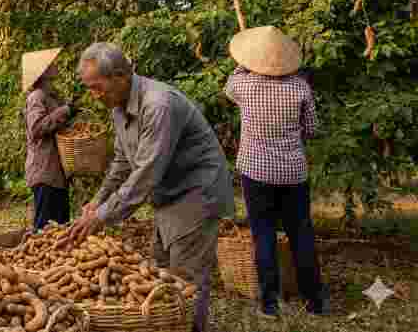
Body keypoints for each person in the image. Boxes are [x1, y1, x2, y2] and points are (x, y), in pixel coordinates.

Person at [58, 42, 235, 332]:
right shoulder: (118, 106)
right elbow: (122, 162)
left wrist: (102, 216)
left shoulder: (158, 105)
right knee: (162, 273)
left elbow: (146, 173)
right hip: (167, 195)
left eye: (97, 87)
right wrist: (97, 201)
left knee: (186, 280)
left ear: (120, 76)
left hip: (196, 193)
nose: (94, 96)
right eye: (89, 88)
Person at [225, 26, 329, 318]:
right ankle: (316, 302)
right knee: (301, 233)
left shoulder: (243, 85)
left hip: (256, 173)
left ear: (255, 60)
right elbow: (312, 129)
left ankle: (269, 304)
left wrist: (246, 62)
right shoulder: (300, 87)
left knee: (263, 234)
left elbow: (231, 82)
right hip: (293, 172)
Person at [22, 48, 73, 232]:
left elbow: (54, 125)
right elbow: (36, 129)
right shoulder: (37, 96)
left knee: (61, 225)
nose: (55, 66)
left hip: (57, 173)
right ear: (43, 71)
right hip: (44, 172)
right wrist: (65, 111)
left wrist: (69, 113)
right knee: (45, 227)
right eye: (51, 64)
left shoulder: (52, 96)